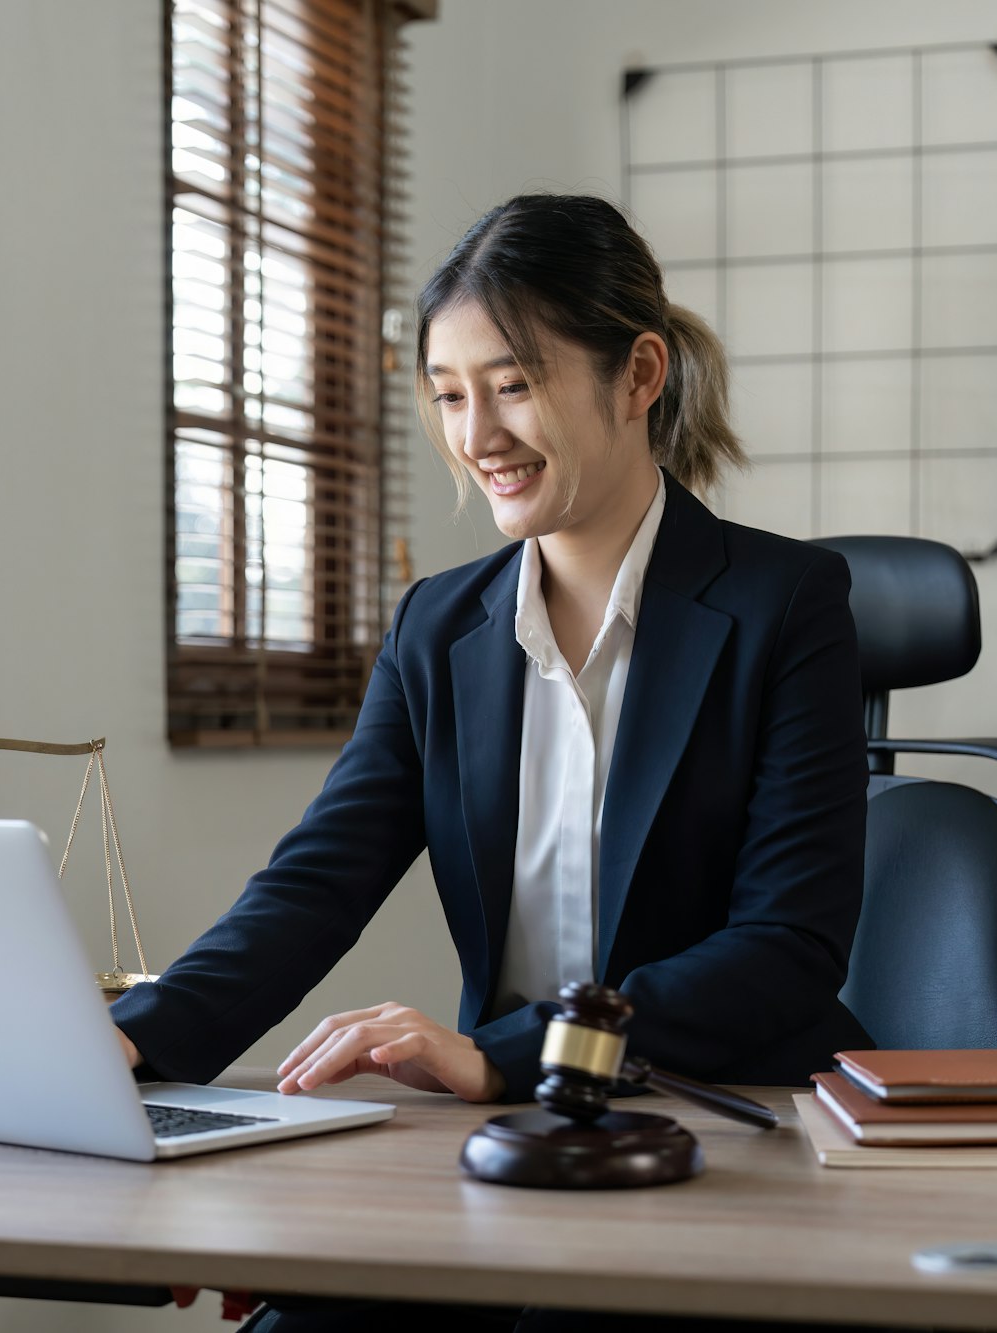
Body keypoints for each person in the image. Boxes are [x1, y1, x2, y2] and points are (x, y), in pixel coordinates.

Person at [109, 192, 872, 1328]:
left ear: (638, 375)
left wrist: (501, 1055)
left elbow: (785, 948)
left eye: (512, 384)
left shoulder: (784, 605)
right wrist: (129, 1051)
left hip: (718, 1120)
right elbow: (315, 884)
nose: (477, 437)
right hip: (501, 1135)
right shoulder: (439, 627)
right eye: (449, 394)